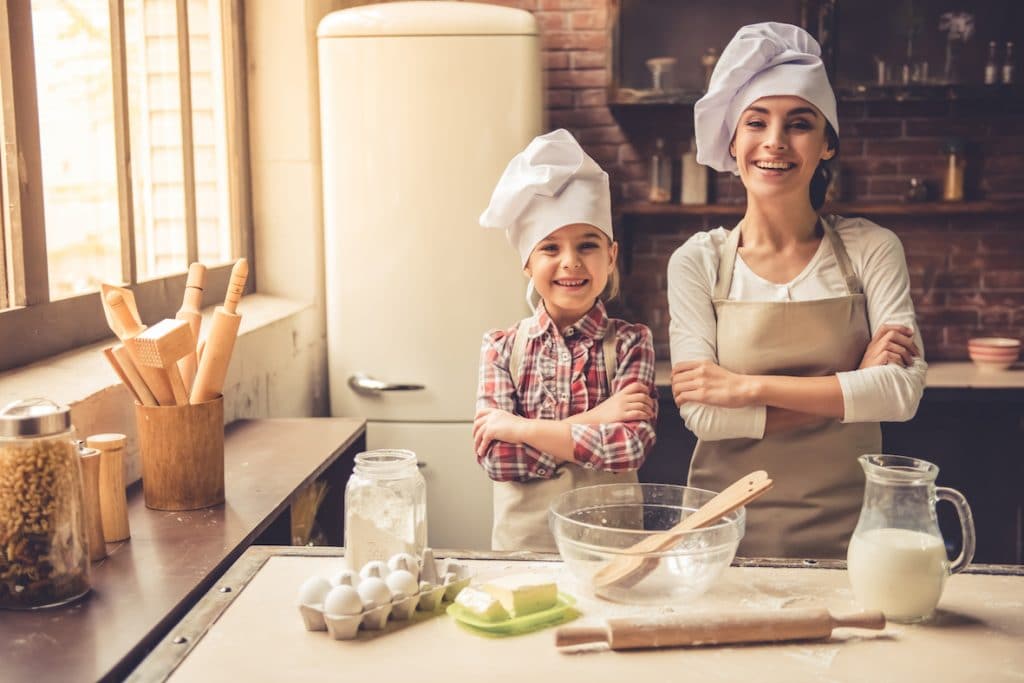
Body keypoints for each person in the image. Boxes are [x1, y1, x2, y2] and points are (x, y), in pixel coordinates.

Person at [667, 23, 927, 559]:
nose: (776, 141)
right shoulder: (698, 262)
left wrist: (747, 388)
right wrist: (854, 384)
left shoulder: (872, 249)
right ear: (733, 141)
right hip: (724, 532)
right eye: (757, 122)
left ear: (827, 142)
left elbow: (901, 394)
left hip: (853, 530)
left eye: (800, 123)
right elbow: (705, 417)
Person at [474, 129, 658, 552]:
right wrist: (599, 418)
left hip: (612, 552)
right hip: (524, 555)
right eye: (550, 248)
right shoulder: (501, 347)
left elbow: (629, 448)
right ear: (527, 263)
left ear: (611, 256)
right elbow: (499, 459)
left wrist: (521, 428)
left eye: (587, 245)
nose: (570, 262)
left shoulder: (632, 342)